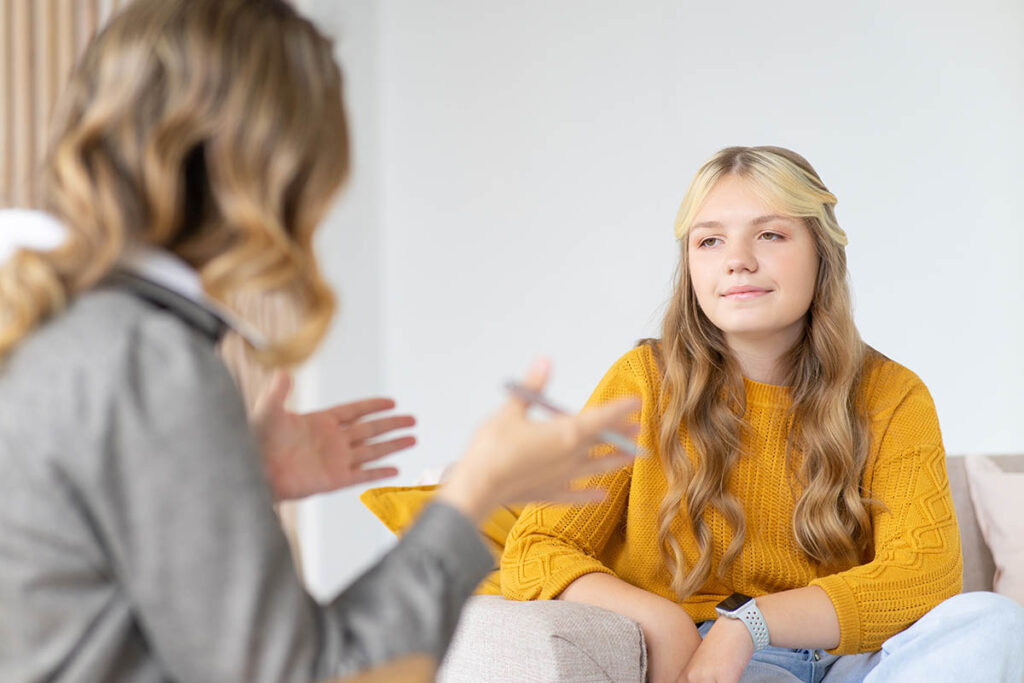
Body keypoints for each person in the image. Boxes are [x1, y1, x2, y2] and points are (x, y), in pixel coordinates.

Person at [0, 1, 641, 681]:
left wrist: (226, 472)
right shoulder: (147, 359)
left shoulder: (52, 322)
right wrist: (475, 492)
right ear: (276, 164)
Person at [500, 145, 1024, 683]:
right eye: (709, 240)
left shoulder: (893, 394)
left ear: (821, 250)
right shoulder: (644, 381)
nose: (738, 260)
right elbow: (537, 548)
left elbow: (924, 573)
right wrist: (662, 620)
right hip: (721, 666)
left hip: (858, 660)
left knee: (997, 623)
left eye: (770, 235)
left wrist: (748, 623)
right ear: (691, 266)